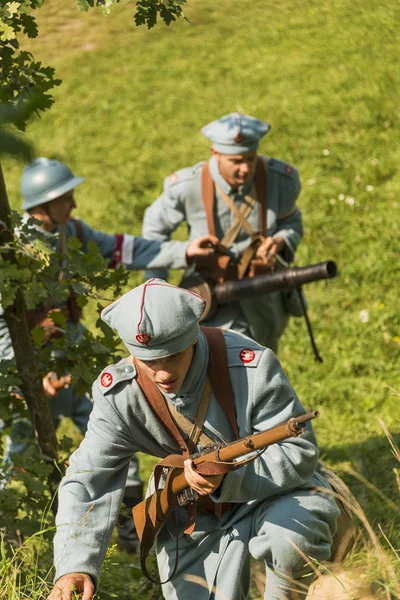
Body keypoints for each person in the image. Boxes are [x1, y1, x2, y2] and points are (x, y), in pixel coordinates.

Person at [48, 279, 339, 600]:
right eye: (149, 362)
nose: (161, 373)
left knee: (291, 539)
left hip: (273, 494)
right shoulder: (119, 394)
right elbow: (89, 480)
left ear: (193, 339)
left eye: (171, 356)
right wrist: (75, 565)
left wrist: (227, 478)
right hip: (191, 513)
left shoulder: (250, 366)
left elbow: (299, 451)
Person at [0, 157, 218, 552]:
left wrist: (185, 250)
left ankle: (130, 531)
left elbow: (124, 250)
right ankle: (11, 539)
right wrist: (25, 375)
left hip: (76, 356)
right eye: (67, 199)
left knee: (120, 427)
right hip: (26, 371)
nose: (74, 206)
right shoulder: (10, 250)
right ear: (43, 205)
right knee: (19, 453)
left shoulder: (72, 232)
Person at [142, 113, 303, 353]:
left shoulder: (279, 180)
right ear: (215, 153)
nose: (245, 168)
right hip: (210, 298)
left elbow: (292, 222)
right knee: (218, 367)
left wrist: (280, 241)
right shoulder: (187, 187)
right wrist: (157, 293)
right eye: (236, 160)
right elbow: (154, 231)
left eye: (251, 157)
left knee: (262, 364)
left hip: (262, 298)